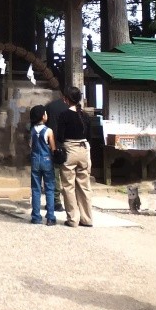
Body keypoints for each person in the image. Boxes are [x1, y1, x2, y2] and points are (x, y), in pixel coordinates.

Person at [57, 86, 93, 228]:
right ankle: (87, 218)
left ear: (67, 99)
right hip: (84, 150)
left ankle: (73, 218)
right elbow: (89, 137)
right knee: (84, 185)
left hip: (70, 150)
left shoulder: (64, 115)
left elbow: (60, 136)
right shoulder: (85, 116)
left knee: (68, 186)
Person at [28, 104, 57, 226]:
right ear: (43, 116)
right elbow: (53, 147)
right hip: (46, 160)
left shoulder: (32, 130)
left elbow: (30, 145)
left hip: (35, 160)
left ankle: (36, 216)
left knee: (36, 189)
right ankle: (50, 217)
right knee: (49, 188)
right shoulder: (49, 131)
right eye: (45, 113)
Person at [44, 94, 69, 212]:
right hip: (70, 145)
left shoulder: (50, 107)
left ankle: (56, 201)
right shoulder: (73, 108)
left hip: (54, 143)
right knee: (69, 176)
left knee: (54, 174)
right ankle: (71, 203)